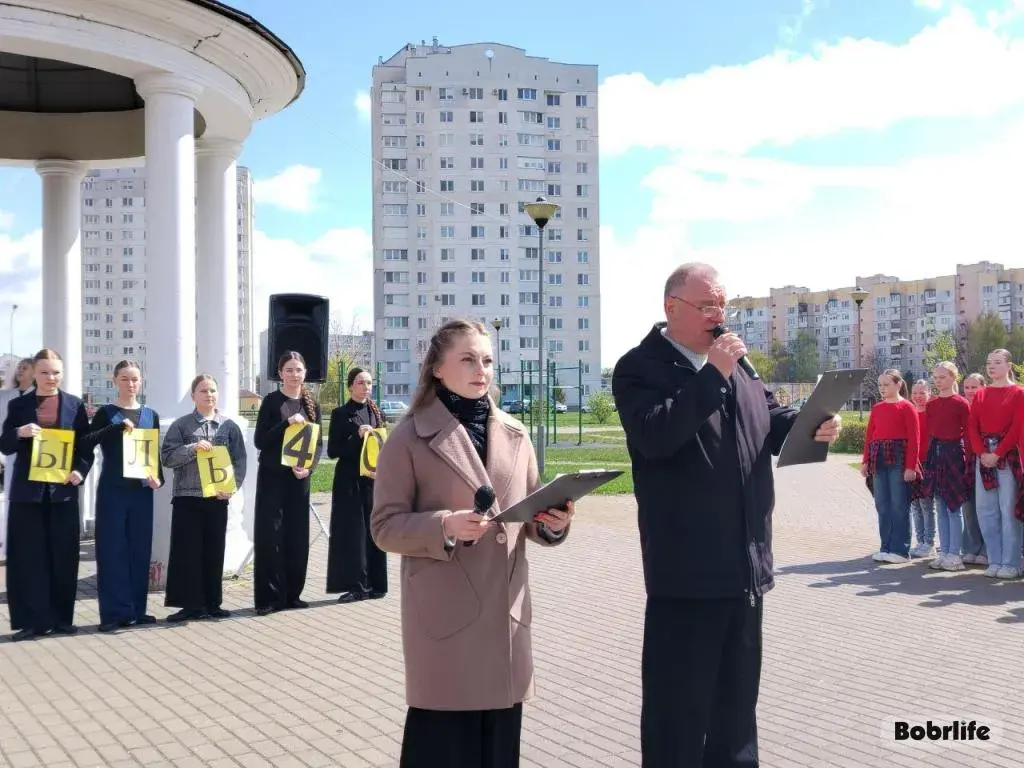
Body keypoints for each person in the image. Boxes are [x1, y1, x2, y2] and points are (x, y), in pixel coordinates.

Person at [611, 263, 840, 768]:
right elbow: (656, 437)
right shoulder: (639, 368)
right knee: (679, 716)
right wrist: (713, 373)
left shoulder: (738, 367)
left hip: (745, 569)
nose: (719, 317)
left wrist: (811, 425)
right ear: (671, 308)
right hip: (687, 575)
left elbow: (769, 418)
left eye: (723, 306)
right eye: (707, 306)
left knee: (736, 716)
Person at [370, 318, 574, 768]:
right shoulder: (407, 437)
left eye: (487, 360)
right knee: (444, 749)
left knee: (498, 751)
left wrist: (553, 523)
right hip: (447, 619)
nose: (481, 369)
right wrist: (445, 525)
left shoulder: (517, 435)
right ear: (437, 369)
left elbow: (532, 516)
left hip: (506, 616)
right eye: (467, 358)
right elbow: (384, 526)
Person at [0, 349, 94, 641]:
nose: (50, 378)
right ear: (33, 373)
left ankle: (62, 619)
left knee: (63, 557)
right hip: (27, 495)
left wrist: (79, 472)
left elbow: (86, 448)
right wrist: (19, 433)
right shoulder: (19, 406)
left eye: (56, 372)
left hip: (62, 494)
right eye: (44, 372)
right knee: (28, 559)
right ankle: (31, 622)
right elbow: (5, 445)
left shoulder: (74, 406)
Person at [160, 374, 247, 622]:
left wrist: (232, 487)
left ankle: (213, 603)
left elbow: (239, 461)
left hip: (217, 498)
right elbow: (167, 457)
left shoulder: (228, 426)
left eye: (212, 391)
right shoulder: (181, 425)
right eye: (203, 391)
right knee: (187, 552)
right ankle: (190, 605)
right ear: (193, 396)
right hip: (187, 497)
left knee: (214, 551)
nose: (208, 395)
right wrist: (192, 448)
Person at [85, 360, 164, 631]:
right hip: (113, 492)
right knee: (112, 551)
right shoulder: (106, 413)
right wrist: (113, 430)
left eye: (135, 379)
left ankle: (137, 610)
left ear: (141, 382)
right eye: (125, 379)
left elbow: (153, 456)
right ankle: (113, 614)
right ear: (115, 380)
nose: (131, 384)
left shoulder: (150, 414)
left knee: (139, 551)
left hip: (141, 492)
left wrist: (158, 479)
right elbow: (87, 441)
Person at [253, 351, 322, 615]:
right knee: (271, 537)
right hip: (273, 478)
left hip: (299, 479)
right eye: (289, 370)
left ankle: (293, 594)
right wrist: (285, 424)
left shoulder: (311, 402)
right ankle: (269, 598)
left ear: (305, 373)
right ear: (280, 373)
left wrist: (310, 467)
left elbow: (318, 445)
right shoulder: (271, 401)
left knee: (296, 537)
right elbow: (261, 441)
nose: (294, 374)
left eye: (299, 370)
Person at [326, 366, 388, 603]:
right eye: (361, 383)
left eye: (369, 383)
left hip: (372, 480)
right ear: (350, 386)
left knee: (374, 529)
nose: (366, 387)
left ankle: (376, 584)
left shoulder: (376, 412)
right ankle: (355, 585)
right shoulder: (341, 413)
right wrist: (356, 436)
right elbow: (333, 451)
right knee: (352, 533)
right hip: (349, 480)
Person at [969, 349, 1023, 579]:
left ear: (1009, 365)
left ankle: (1012, 562)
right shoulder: (980, 394)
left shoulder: (1019, 393)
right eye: (989, 362)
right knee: (985, 510)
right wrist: (982, 453)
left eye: (997, 362)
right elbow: (972, 426)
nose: (991, 367)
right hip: (983, 456)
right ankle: (995, 559)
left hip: (1007, 456)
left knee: (1008, 509)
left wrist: (998, 453)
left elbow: (1018, 427)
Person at [861, 369, 920, 564]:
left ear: (898, 384)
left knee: (899, 504)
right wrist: (865, 461)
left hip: (898, 456)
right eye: (880, 385)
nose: (882, 388)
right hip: (878, 456)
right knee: (882, 505)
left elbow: (914, 438)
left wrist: (910, 466)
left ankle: (901, 550)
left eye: (886, 384)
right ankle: (885, 547)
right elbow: (869, 436)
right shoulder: (877, 408)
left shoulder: (907, 407)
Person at [920, 362, 970, 572]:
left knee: (953, 506)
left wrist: (968, 461)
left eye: (942, 377)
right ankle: (945, 551)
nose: (938, 381)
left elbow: (967, 434)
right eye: (936, 377)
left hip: (954, 454)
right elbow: (930, 432)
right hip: (936, 453)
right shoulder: (930, 405)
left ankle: (954, 554)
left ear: (953, 378)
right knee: (939, 504)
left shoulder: (961, 403)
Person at [0, 357, 33, 560]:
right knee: (10, 502)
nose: (20, 370)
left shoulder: (38, 397)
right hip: (8, 454)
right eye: (19, 367)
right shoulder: (5, 396)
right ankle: (9, 547)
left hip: (32, 457)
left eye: (25, 367)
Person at [960, 372, 987, 565]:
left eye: (974, 387)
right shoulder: (962, 407)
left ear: (982, 387)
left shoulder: (986, 406)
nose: (970, 391)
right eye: (967, 387)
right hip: (965, 462)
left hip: (985, 460)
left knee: (985, 507)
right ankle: (971, 546)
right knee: (968, 508)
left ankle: (986, 549)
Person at [908, 379, 935, 558]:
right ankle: (920, 542)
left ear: (929, 394)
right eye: (915, 393)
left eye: (922, 393)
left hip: (928, 464)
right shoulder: (909, 412)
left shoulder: (932, 413)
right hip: (912, 464)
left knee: (926, 505)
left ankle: (929, 543)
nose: (918, 396)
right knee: (915, 505)